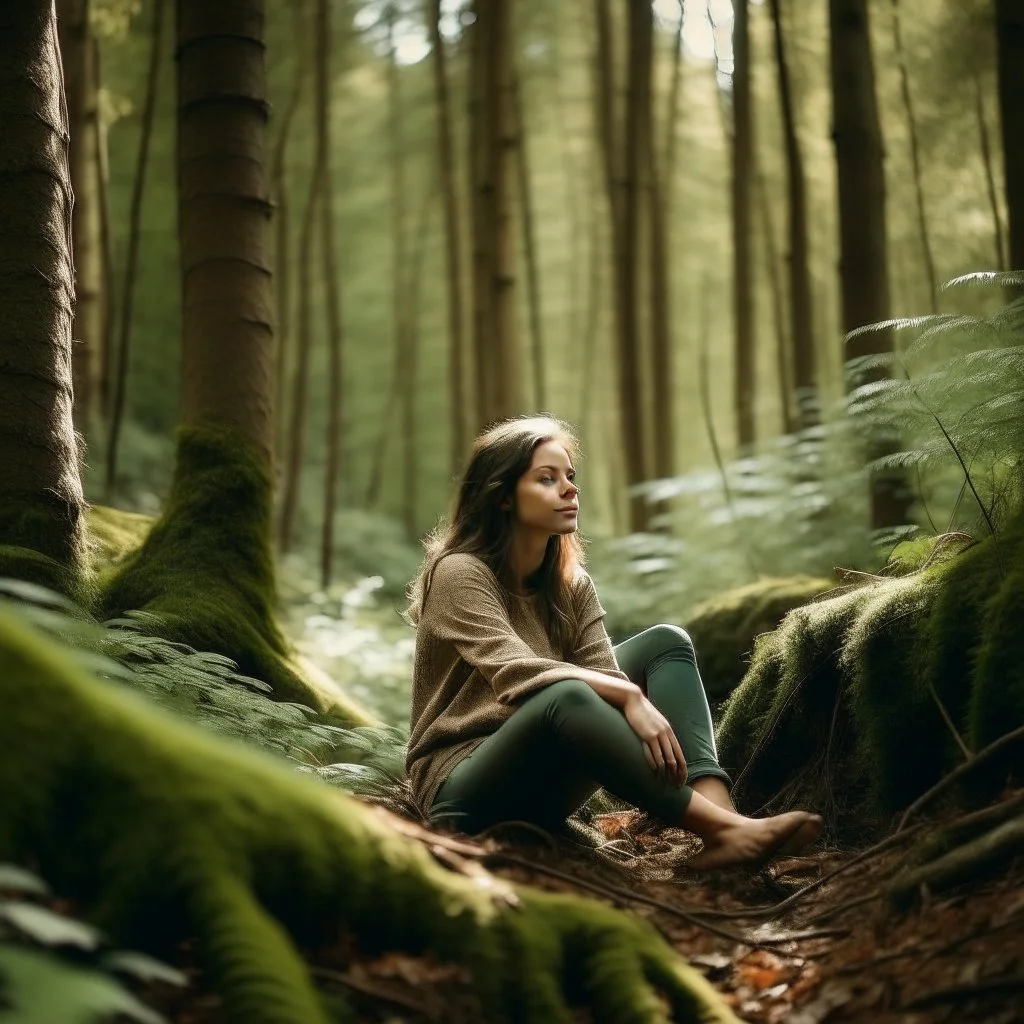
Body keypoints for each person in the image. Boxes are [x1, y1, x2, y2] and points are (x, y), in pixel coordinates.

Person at [405, 415, 821, 869]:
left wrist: (620, 692)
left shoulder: (570, 583)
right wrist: (627, 695)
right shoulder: (459, 573)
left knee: (665, 643)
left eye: (570, 477)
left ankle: (725, 824)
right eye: (547, 479)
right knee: (567, 694)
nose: (569, 489)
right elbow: (514, 672)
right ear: (502, 496)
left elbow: (602, 672)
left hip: (544, 782)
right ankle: (725, 831)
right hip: (463, 791)